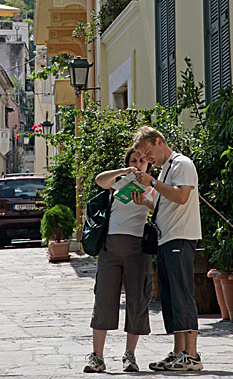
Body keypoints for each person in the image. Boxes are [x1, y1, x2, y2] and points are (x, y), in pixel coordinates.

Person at [132, 126, 203, 372]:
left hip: (180, 238)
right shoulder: (166, 169)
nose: (146, 159)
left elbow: (182, 196)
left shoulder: (182, 164)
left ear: (159, 141)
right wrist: (149, 203)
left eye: (148, 152)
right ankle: (178, 352)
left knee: (181, 295)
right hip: (167, 239)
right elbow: (169, 204)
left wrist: (152, 182)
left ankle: (191, 354)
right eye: (142, 156)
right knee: (171, 298)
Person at [84, 147, 154, 373]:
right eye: (134, 160)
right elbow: (99, 180)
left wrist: (145, 201)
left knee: (137, 301)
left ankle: (130, 355)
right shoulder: (118, 182)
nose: (138, 163)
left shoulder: (153, 186)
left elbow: (160, 209)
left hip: (138, 249)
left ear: (149, 164)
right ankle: (97, 356)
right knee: (103, 299)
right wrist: (124, 171)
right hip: (110, 248)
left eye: (142, 160)